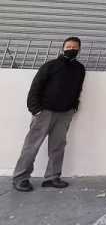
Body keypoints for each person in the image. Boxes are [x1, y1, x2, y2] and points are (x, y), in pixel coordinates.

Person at [12, 37, 85, 192]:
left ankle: (52, 177)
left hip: (64, 114)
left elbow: (78, 89)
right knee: (32, 146)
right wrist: (35, 109)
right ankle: (20, 178)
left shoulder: (80, 68)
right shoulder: (50, 66)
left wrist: (73, 107)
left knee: (58, 146)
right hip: (44, 112)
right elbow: (35, 87)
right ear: (63, 48)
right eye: (68, 46)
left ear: (79, 50)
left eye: (74, 47)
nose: (71, 49)